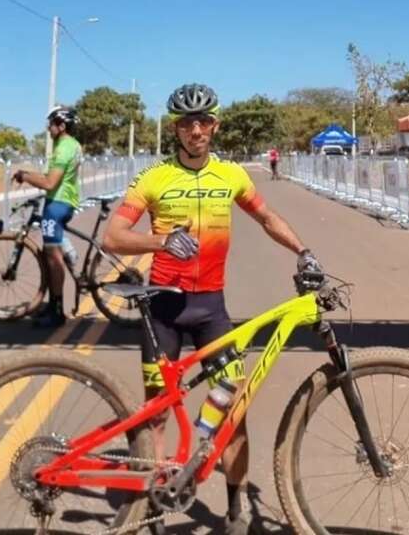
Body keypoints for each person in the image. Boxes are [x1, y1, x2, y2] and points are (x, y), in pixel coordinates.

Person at [102, 83, 320, 535]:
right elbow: (114, 235)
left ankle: (234, 508)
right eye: (186, 123)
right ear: (176, 129)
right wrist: (160, 240)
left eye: (203, 122)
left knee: (233, 408)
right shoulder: (154, 177)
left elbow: (266, 218)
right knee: (157, 413)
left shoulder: (232, 175)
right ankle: (156, 509)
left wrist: (303, 251)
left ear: (214, 126)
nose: (195, 130)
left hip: (210, 310)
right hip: (163, 307)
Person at [12, 106, 82, 328]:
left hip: (57, 204)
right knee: (51, 253)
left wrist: (25, 177)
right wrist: (27, 174)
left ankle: (57, 311)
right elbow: (48, 177)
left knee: (53, 258)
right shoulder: (72, 145)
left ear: (61, 126)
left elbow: (50, 183)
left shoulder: (63, 149)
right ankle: (52, 304)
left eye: (51, 124)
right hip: (63, 200)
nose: (48, 129)